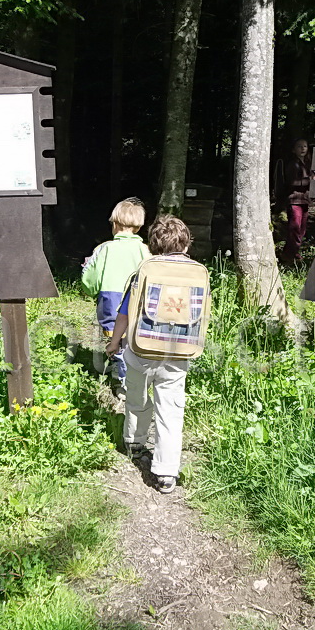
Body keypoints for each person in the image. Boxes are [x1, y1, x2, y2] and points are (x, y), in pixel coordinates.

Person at [106, 214, 201, 494]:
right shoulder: (196, 271)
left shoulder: (144, 270)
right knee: (170, 411)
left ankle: (135, 443)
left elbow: (124, 313)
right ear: (185, 245)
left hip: (141, 349)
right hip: (178, 352)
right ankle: (167, 472)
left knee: (136, 398)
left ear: (153, 245)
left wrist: (114, 342)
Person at [81, 198, 150, 392]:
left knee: (116, 340)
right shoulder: (146, 251)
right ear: (137, 227)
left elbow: (89, 281)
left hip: (111, 301)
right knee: (133, 339)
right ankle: (134, 374)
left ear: (115, 224)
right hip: (138, 302)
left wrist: (90, 290)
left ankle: (124, 382)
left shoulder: (104, 249)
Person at [272, 138, 314, 265]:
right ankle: (289, 256)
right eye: (299, 146)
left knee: (302, 229)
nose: (302, 149)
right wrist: (310, 179)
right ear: (293, 150)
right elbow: (292, 183)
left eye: (305, 146)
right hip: (294, 200)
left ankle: (291, 253)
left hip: (304, 200)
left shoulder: (307, 164)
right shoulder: (293, 164)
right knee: (294, 229)